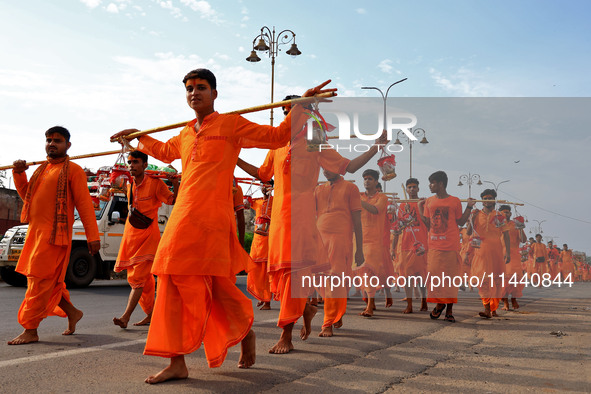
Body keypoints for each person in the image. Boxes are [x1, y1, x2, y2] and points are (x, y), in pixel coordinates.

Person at [111, 68, 333, 383]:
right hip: (181, 220)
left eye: (201, 87)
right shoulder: (185, 134)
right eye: (189, 88)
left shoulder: (231, 124)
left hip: (213, 220)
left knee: (213, 284)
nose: (194, 93)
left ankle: (242, 332)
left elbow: (276, 137)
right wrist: (137, 138)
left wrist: (302, 106)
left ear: (215, 93)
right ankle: (179, 360)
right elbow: (162, 151)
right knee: (172, 284)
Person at [237, 96, 387, 354]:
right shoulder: (276, 145)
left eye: (295, 111)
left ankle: (287, 334)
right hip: (280, 221)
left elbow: (348, 166)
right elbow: (263, 175)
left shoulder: (315, 143)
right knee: (281, 276)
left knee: (293, 274)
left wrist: (375, 148)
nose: (290, 117)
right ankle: (306, 309)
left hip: (304, 219)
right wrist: (234, 158)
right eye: (287, 112)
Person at [8, 126, 100, 345]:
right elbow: (27, 197)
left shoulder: (74, 170)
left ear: (68, 145)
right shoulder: (41, 169)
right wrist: (19, 173)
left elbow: (85, 206)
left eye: (57, 140)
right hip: (35, 235)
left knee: (39, 283)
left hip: (54, 238)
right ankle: (72, 312)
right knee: (45, 282)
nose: (52, 143)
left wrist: (92, 236)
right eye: (48, 140)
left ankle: (30, 329)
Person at [113, 150, 178, 329]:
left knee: (139, 279)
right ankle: (151, 314)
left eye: (135, 162)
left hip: (149, 237)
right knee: (142, 281)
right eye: (130, 162)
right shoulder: (129, 185)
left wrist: (176, 184)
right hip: (131, 236)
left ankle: (125, 317)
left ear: (145, 165)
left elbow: (172, 200)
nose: (131, 165)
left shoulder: (155, 183)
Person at [418, 171, 474, 323]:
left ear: (441, 184)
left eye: (432, 183)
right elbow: (428, 224)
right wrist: (419, 207)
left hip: (450, 246)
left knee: (450, 281)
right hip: (434, 246)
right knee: (435, 280)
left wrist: (468, 207)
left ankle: (448, 310)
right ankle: (439, 304)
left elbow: (461, 222)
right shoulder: (429, 201)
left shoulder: (455, 201)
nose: (430, 185)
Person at [314, 168, 364, 336]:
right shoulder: (319, 189)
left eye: (329, 167)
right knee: (321, 279)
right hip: (320, 240)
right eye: (323, 168)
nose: (326, 171)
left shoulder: (351, 188)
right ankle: (337, 313)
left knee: (334, 279)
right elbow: (310, 214)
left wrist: (360, 249)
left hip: (340, 240)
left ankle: (327, 322)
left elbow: (357, 222)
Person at [466, 190, 510, 318]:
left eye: (490, 198)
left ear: (494, 200)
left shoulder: (499, 215)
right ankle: (486, 309)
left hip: (496, 252)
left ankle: (493, 307)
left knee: (496, 281)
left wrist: (508, 252)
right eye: (484, 198)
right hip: (480, 252)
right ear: (481, 200)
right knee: (482, 280)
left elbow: (506, 234)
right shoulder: (476, 214)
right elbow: (469, 232)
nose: (487, 200)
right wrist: (472, 218)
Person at [392, 178, 429, 314]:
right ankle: (409, 304)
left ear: (418, 189)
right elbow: (398, 228)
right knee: (407, 276)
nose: (412, 189)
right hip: (406, 246)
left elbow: (428, 222)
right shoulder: (402, 206)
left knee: (421, 276)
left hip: (421, 245)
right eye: (409, 187)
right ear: (406, 190)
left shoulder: (424, 203)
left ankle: (424, 300)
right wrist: (393, 248)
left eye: (414, 187)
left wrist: (419, 207)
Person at [357, 169, 390, 317]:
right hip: (357, 240)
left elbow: (376, 210)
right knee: (363, 273)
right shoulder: (359, 196)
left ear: (376, 182)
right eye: (365, 179)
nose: (367, 181)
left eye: (370, 179)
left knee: (368, 271)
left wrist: (359, 201)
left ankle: (370, 305)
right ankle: (370, 301)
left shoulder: (382, 197)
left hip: (374, 241)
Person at [247, 182, 274, 310]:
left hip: (270, 242)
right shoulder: (256, 202)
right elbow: (245, 205)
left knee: (267, 273)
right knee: (256, 271)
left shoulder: (276, 201)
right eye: (263, 185)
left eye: (268, 185)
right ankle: (261, 297)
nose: (265, 188)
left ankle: (267, 301)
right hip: (257, 242)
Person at [498, 205, 526, 311]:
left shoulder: (515, 225)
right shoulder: (497, 225)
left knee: (515, 279)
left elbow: (523, 240)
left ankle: (514, 299)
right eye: (503, 212)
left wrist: (521, 228)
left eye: (508, 212)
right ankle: (505, 302)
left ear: (510, 213)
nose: (506, 214)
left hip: (514, 256)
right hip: (500, 255)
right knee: (502, 280)